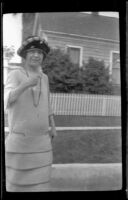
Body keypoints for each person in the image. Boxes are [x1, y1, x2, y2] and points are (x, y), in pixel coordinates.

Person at [4, 35, 57, 192]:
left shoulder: (45, 78)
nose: (36, 55)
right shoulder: (15, 74)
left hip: (42, 143)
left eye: (40, 52)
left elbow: (47, 104)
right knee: (16, 185)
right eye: (33, 51)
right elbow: (7, 100)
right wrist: (26, 84)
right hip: (20, 143)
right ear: (25, 55)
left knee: (41, 185)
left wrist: (53, 126)